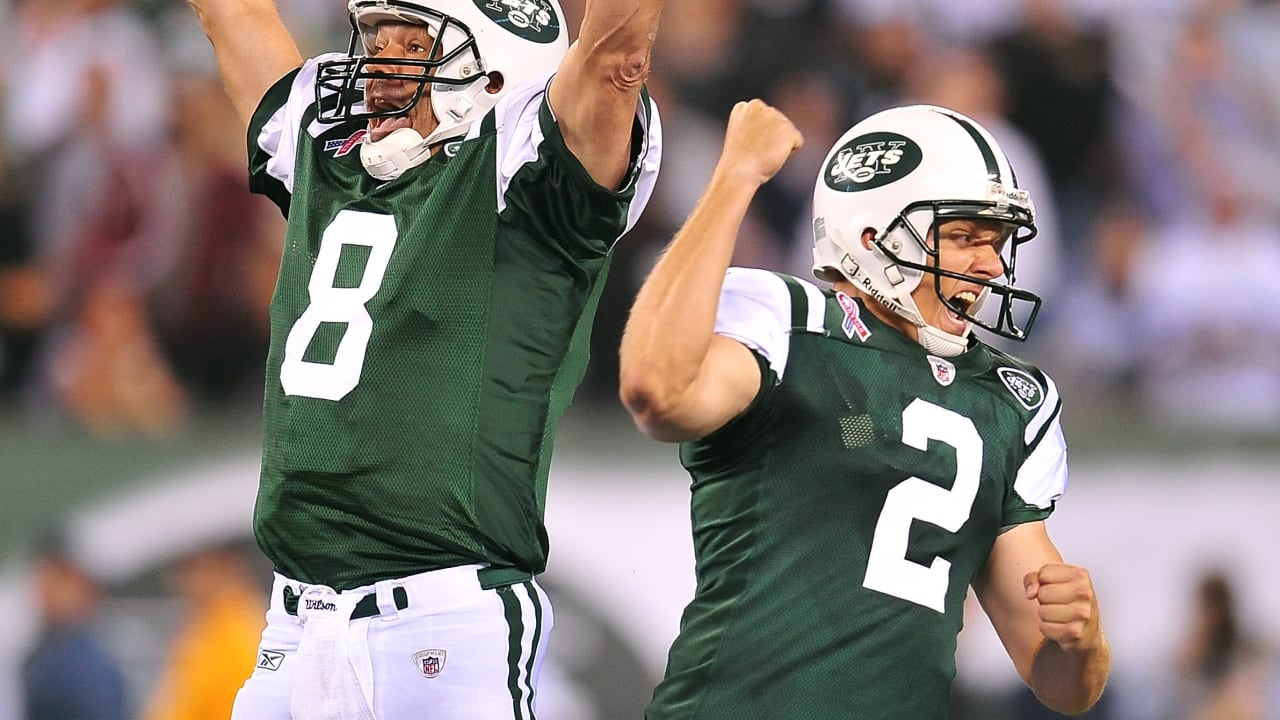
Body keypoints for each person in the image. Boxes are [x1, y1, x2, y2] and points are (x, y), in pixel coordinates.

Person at [184, 0, 663, 716]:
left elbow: (615, 57)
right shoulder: (331, 154)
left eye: (412, 48)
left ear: (495, 76)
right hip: (293, 623)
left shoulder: (524, 178)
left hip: (442, 624)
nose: (377, 69)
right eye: (377, 41)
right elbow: (234, 13)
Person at [618, 100, 1111, 719]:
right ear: (873, 238)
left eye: (997, 242)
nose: (990, 264)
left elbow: (1064, 684)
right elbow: (657, 390)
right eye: (963, 237)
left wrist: (1081, 639)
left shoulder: (1010, 401)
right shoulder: (792, 326)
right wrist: (736, 176)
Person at [140, 544, 266, 720]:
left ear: (228, 563)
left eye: (192, 564)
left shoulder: (240, 637)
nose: (181, 577)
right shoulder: (200, 627)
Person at [21, 530, 132, 720]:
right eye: (44, 575)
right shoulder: (44, 652)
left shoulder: (88, 668)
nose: (46, 588)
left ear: (86, 588)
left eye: (59, 577)